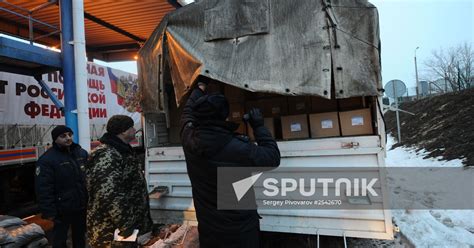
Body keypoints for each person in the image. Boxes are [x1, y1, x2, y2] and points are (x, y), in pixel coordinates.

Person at [180, 80, 281, 248]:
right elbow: (272, 157)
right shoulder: (238, 147)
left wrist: (198, 90)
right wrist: (259, 127)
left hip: (209, 229)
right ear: (225, 116)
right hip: (240, 231)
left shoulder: (189, 138)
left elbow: (187, 113)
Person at [85, 115, 152, 247]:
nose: (135, 129)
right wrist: (126, 224)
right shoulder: (106, 154)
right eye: (132, 127)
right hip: (110, 231)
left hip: (125, 229)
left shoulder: (123, 151)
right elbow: (109, 194)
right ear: (123, 131)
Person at [35, 125, 88, 248]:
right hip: (61, 210)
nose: (68, 138)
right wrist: (49, 211)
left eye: (70, 134)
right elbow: (43, 188)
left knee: (80, 237)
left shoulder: (80, 153)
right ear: (55, 139)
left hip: (80, 205)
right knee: (60, 240)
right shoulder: (47, 160)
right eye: (63, 136)